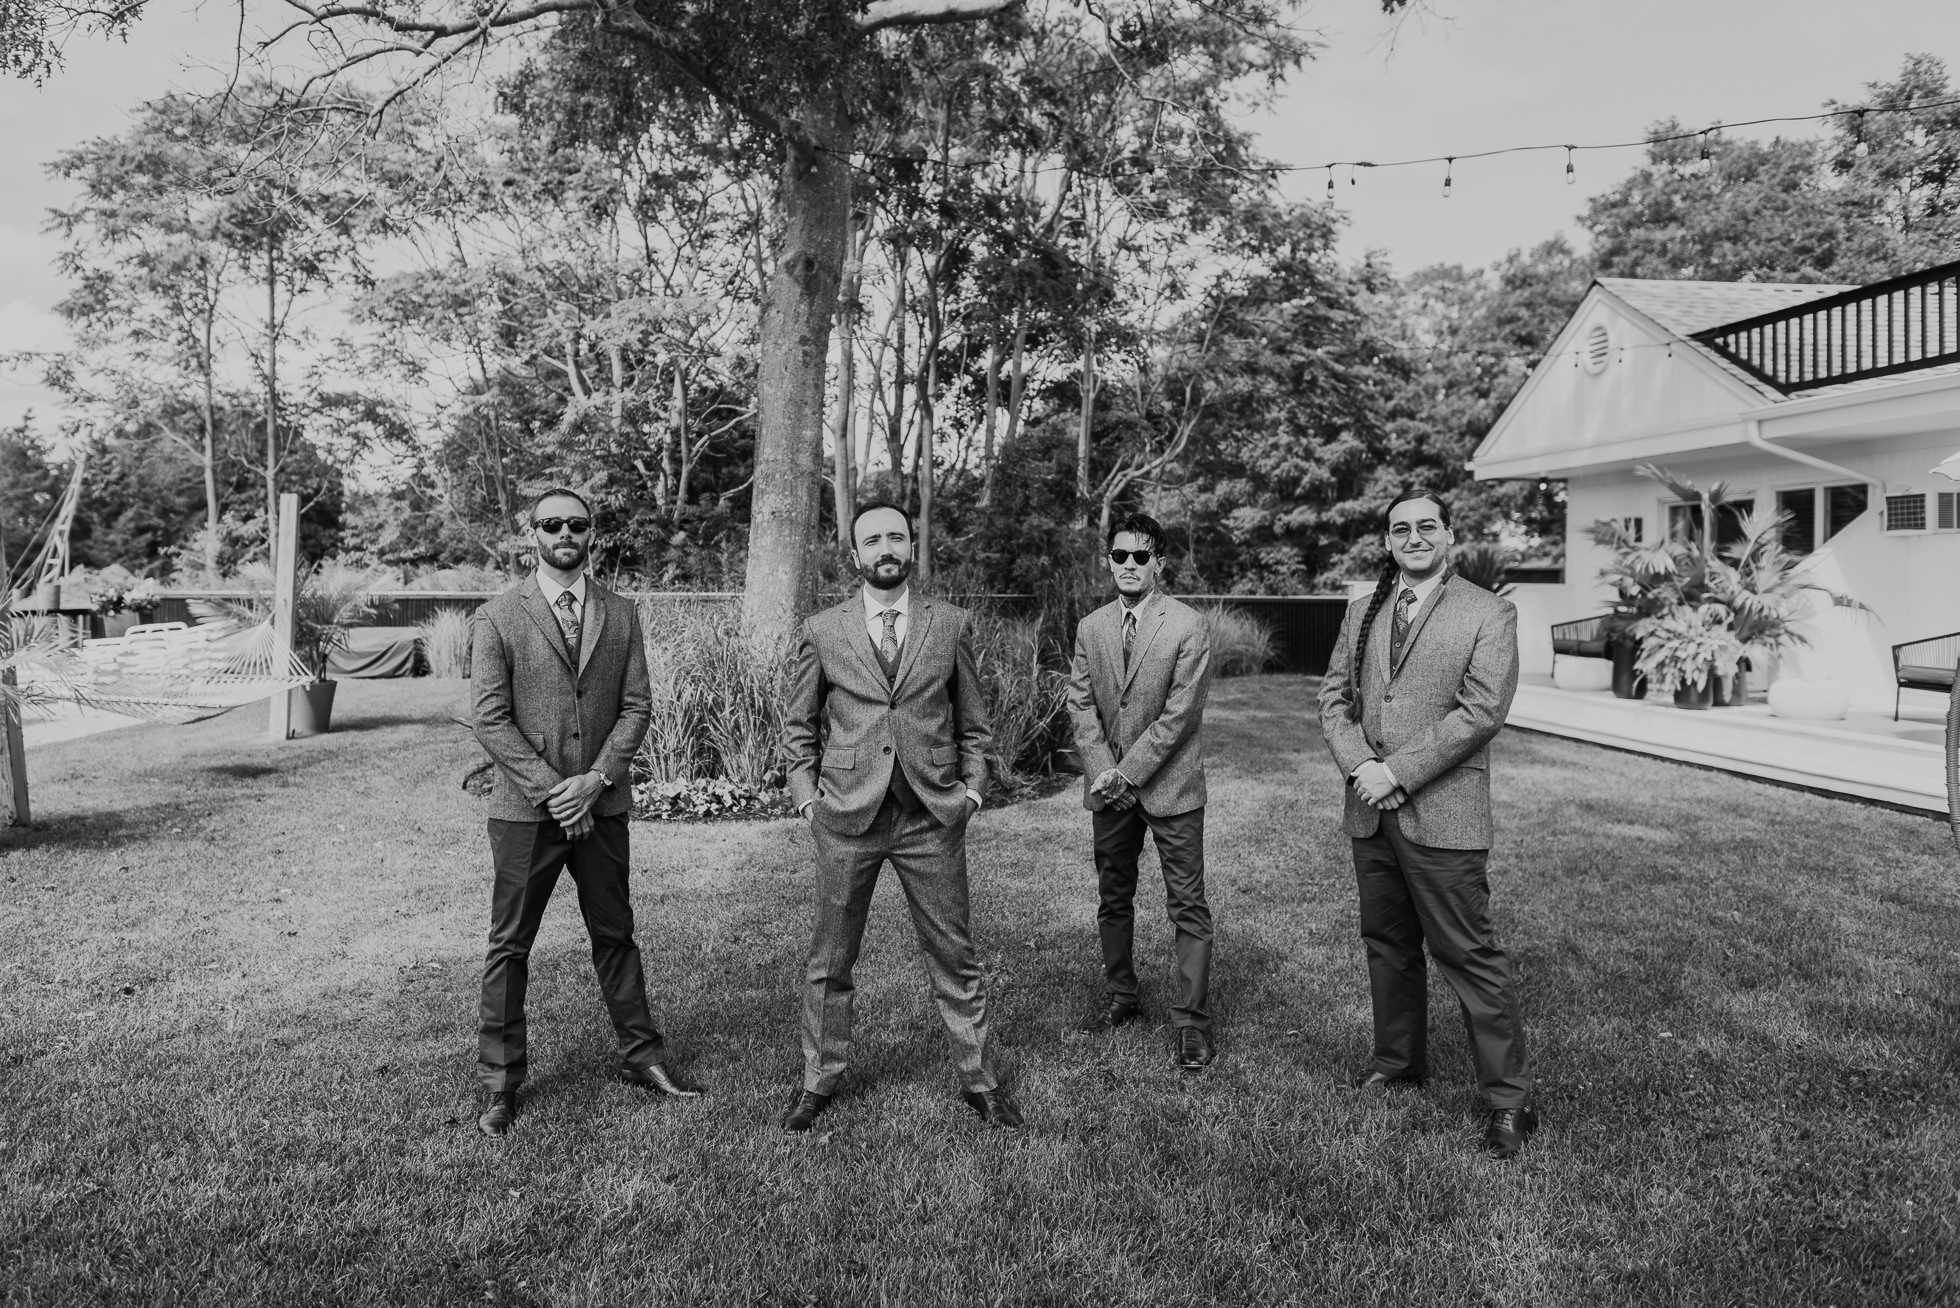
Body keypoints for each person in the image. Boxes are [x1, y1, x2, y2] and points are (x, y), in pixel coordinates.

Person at [779, 500, 1021, 1133]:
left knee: (956, 954)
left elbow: (974, 722)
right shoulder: (823, 629)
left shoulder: (951, 624)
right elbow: (798, 724)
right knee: (830, 958)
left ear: (912, 547)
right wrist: (808, 796)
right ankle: (818, 1082)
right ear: (854, 554)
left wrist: (971, 790)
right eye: (872, 540)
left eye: (896, 537)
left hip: (931, 815)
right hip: (846, 814)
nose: (885, 548)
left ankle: (980, 1081)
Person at [1314, 489, 1537, 1160]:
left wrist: (1397, 771)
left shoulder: (1488, 611)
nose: (1413, 537)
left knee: (1469, 956)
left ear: (1448, 535)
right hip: (1370, 811)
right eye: (1400, 529)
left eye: (1426, 526)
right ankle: (1397, 1063)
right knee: (1387, 946)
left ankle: (1508, 1100)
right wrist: (1361, 768)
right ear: (1387, 541)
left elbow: (1480, 710)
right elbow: (1332, 700)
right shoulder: (1362, 611)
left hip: (1442, 813)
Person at [469, 488, 699, 1137]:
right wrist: (554, 790)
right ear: (532, 533)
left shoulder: (621, 612)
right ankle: (501, 1082)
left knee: (615, 935)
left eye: (576, 523)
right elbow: (489, 717)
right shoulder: (496, 617)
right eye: (552, 524)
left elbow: (637, 706)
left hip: (603, 805)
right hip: (525, 811)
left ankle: (642, 1057)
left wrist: (595, 781)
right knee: (509, 946)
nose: (564, 533)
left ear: (591, 532)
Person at [1064, 512, 1217, 1071]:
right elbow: (1081, 704)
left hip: (1171, 787)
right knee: (1113, 895)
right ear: (1109, 560)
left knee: (1188, 906)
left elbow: (1181, 716)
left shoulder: (1187, 624)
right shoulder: (1090, 626)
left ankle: (1191, 1023)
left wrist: (1126, 773)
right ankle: (1122, 996)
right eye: (1120, 555)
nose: (1129, 565)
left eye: (1140, 556)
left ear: (1159, 563)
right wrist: (1104, 769)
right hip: (1109, 789)